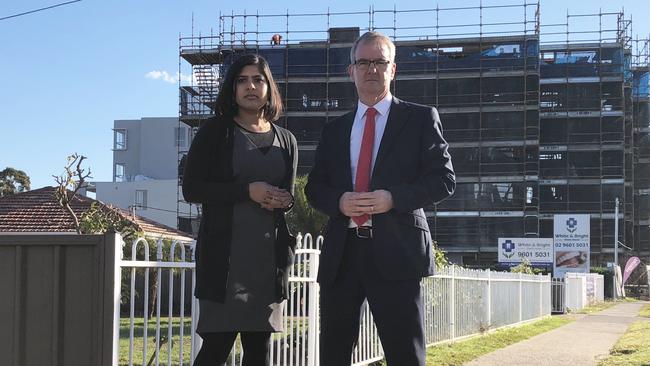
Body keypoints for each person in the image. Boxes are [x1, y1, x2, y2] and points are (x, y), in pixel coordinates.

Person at [305, 31, 455, 366]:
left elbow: (444, 180)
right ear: (351, 71)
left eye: (379, 62)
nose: (371, 69)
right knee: (333, 353)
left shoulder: (419, 118)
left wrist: (393, 198)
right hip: (343, 255)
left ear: (393, 69)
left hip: (397, 252)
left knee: (405, 355)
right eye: (363, 62)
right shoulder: (335, 130)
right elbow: (315, 187)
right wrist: (339, 202)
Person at [182, 53, 298, 366]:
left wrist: (285, 201)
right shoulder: (214, 132)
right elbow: (192, 189)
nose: (250, 86)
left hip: (267, 262)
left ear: (268, 87)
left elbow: (289, 196)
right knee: (216, 348)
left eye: (258, 79)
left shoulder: (286, 140)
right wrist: (247, 191)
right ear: (232, 88)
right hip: (226, 261)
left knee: (259, 352)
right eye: (242, 80)